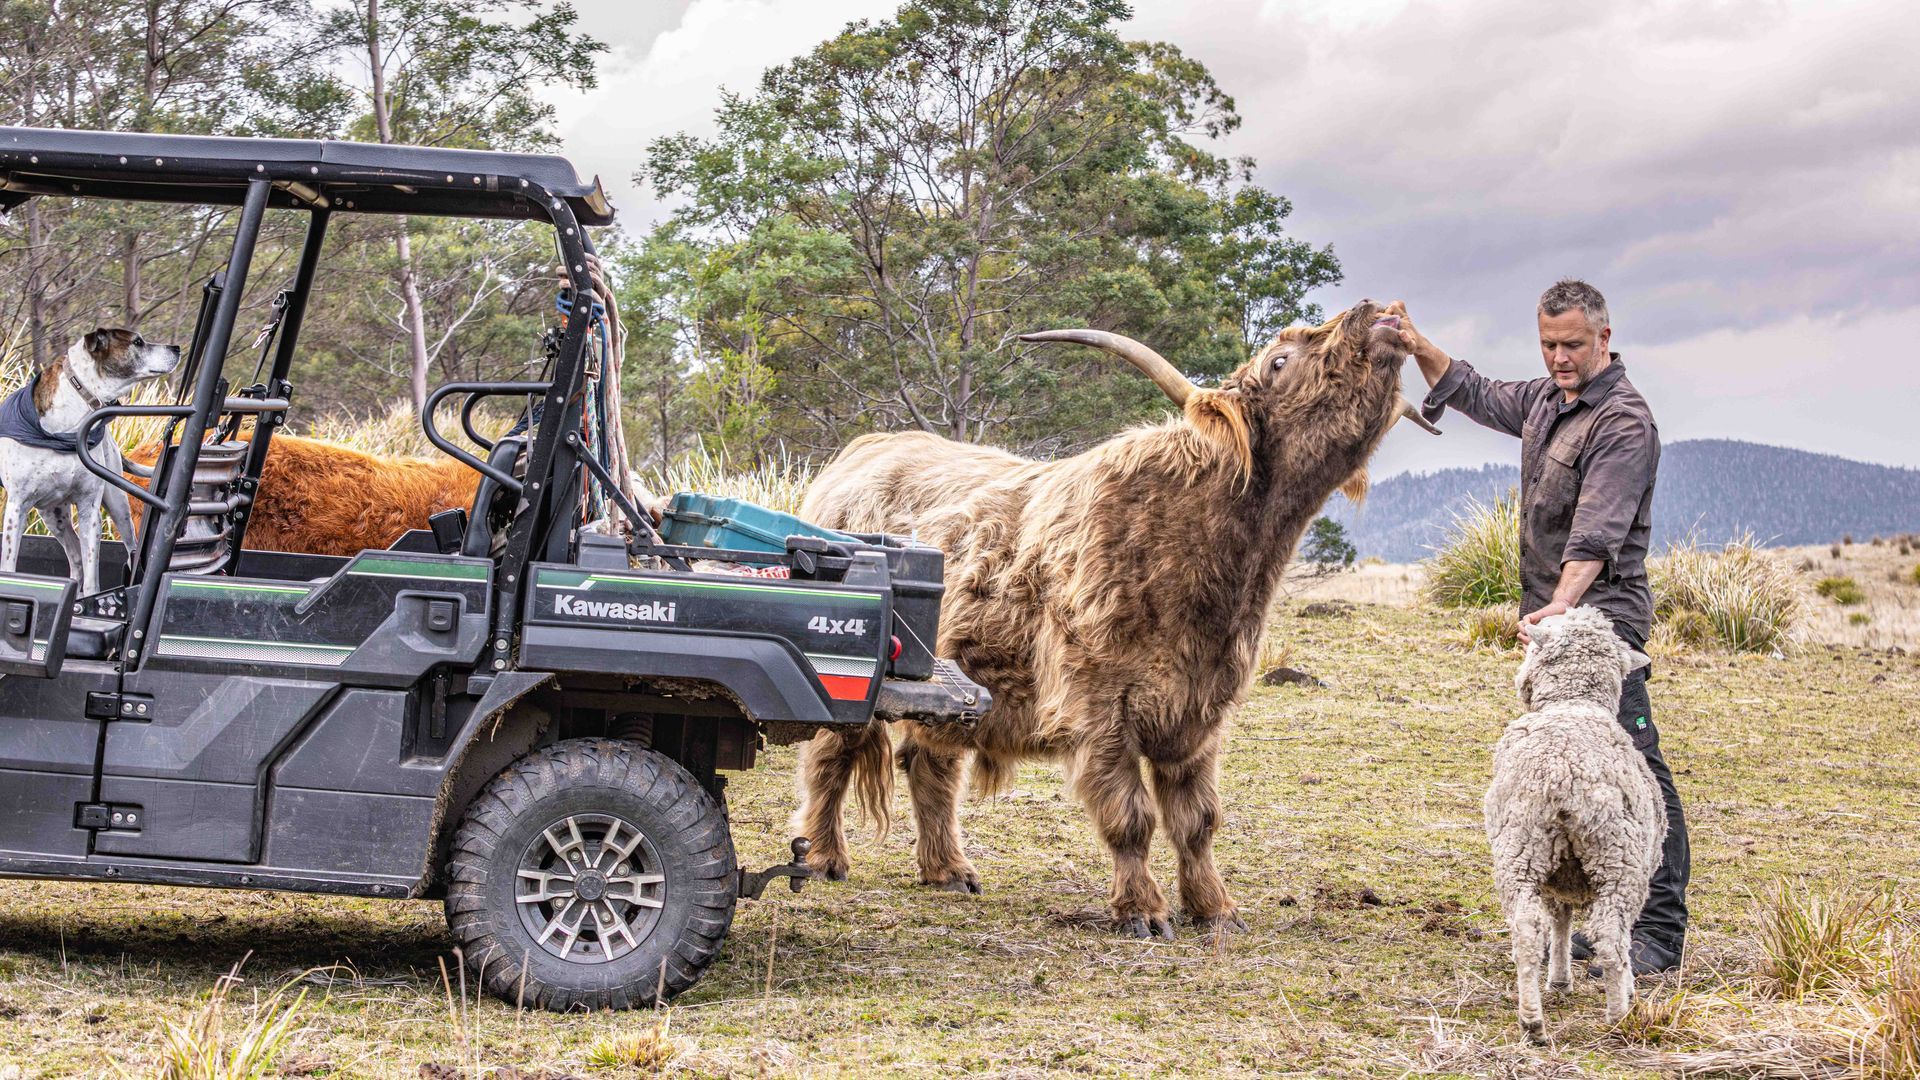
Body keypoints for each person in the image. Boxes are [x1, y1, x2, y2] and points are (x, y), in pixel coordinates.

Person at [1389, 281, 1689, 975]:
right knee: (1566, 768)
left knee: (1634, 767)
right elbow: (1473, 389)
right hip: (1554, 617)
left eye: (1572, 345)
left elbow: (1596, 534)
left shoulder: (1623, 421)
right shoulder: (1546, 401)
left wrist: (1560, 610)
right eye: (1549, 344)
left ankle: (1657, 934)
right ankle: (1593, 914)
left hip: (1599, 623)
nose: (1559, 357)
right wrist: (1416, 343)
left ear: (1604, 340)